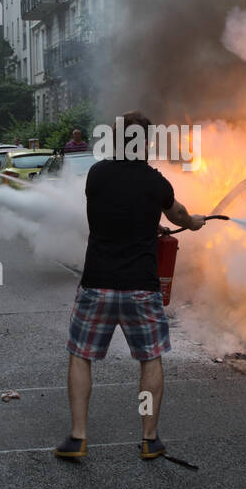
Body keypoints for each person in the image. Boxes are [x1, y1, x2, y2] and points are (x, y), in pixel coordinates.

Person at [56, 110, 205, 462]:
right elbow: (180, 215)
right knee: (149, 359)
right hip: (141, 287)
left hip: (98, 284)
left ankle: (78, 437)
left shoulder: (97, 174)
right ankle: (149, 440)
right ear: (146, 143)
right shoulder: (156, 183)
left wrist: (146, 225)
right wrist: (193, 222)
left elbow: (115, 211)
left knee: (81, 356)